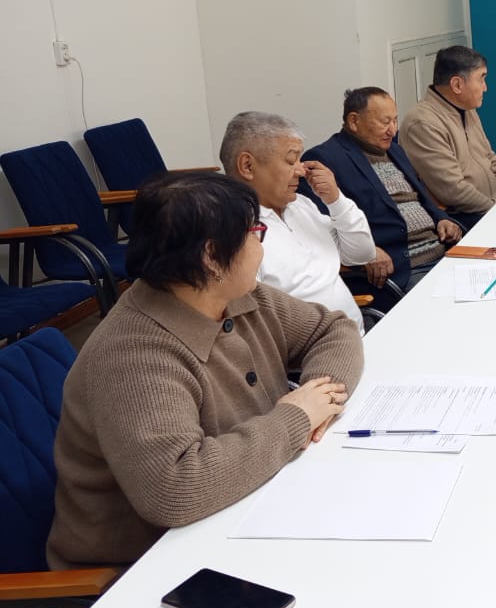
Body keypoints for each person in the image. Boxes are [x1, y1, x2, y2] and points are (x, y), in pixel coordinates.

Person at [47, 173, 363, 569]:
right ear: (212, 258)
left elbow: (332, 329)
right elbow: (175, 489)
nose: (261, 247)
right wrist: (297, 418)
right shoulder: (134, 356)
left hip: (247, 506)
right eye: (255, 234)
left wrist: (321, 397)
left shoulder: (234, 295)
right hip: (145, 568)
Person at [304, 87, 463, 308]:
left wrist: (442, 218)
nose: (393, 130)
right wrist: (368, 252)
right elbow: (318, 224)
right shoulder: (325, 158)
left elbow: (421, 198)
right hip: (404, 268)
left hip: (443, 251)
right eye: (385, 122)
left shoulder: (395, 151)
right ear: (354, 121)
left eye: (395, 121)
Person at [220, 111, 376, 331]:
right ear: (248, 166)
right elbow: (255, 325)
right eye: (291, 160)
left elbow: (361, 254)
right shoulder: (235, 231)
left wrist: (336, 200)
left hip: (357, 333)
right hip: (313, 349)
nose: (301, 171)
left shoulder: (301, 205)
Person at [399, 45, 496, 231]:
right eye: (481, 79)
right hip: (462, 217)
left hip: (490, 208)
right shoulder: (422, 123)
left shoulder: (467, 110)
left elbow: (491, 158)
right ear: (457, 85)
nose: (485, 88)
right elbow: (453, 190)